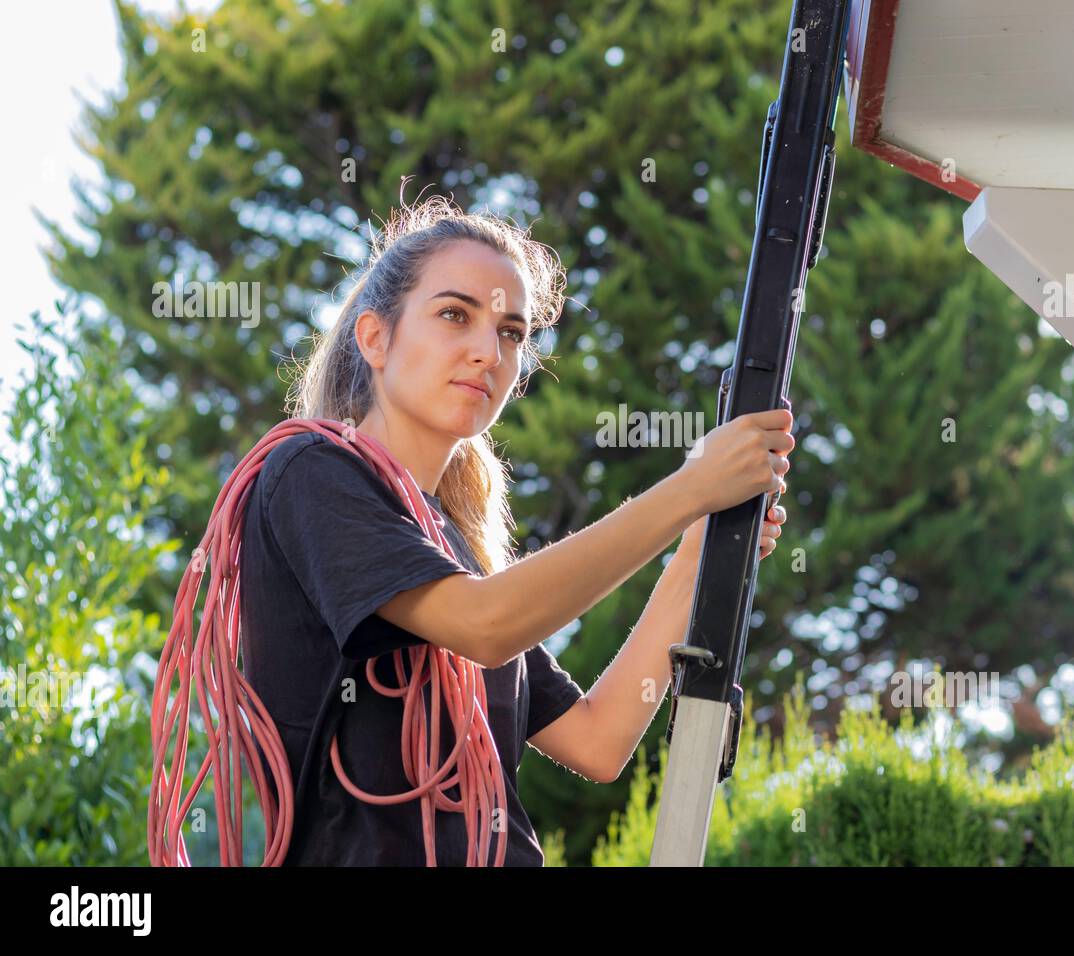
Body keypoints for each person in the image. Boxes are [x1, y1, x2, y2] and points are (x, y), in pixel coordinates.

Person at [238, 195, 795, 865]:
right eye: (454, 315)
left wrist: (696, 552)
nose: (487, 351)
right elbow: (486, 626)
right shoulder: (311, 469)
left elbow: (599, 740)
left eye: (511, 332)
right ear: (375, 338)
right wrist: (689, 489)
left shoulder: (453, 554)